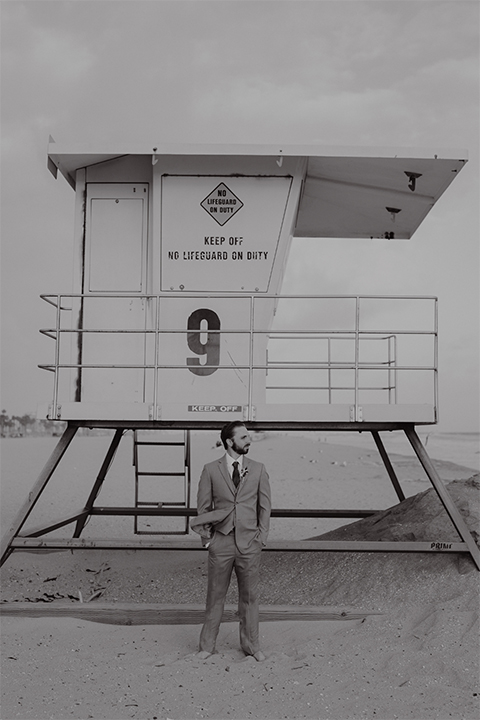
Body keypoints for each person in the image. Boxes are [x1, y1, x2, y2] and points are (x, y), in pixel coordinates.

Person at [191, 421, 271, 661]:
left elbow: (265, 506)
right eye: (244, 437)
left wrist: (261, 538)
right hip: (221, 543)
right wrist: (208, 540)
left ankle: (252, 647)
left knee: (250, 597)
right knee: (215, 595)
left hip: (249, 543)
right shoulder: (210, 469)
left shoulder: (257, 469)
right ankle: (207, 647)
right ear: (229, 441)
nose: (249, 440)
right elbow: (203, 508)